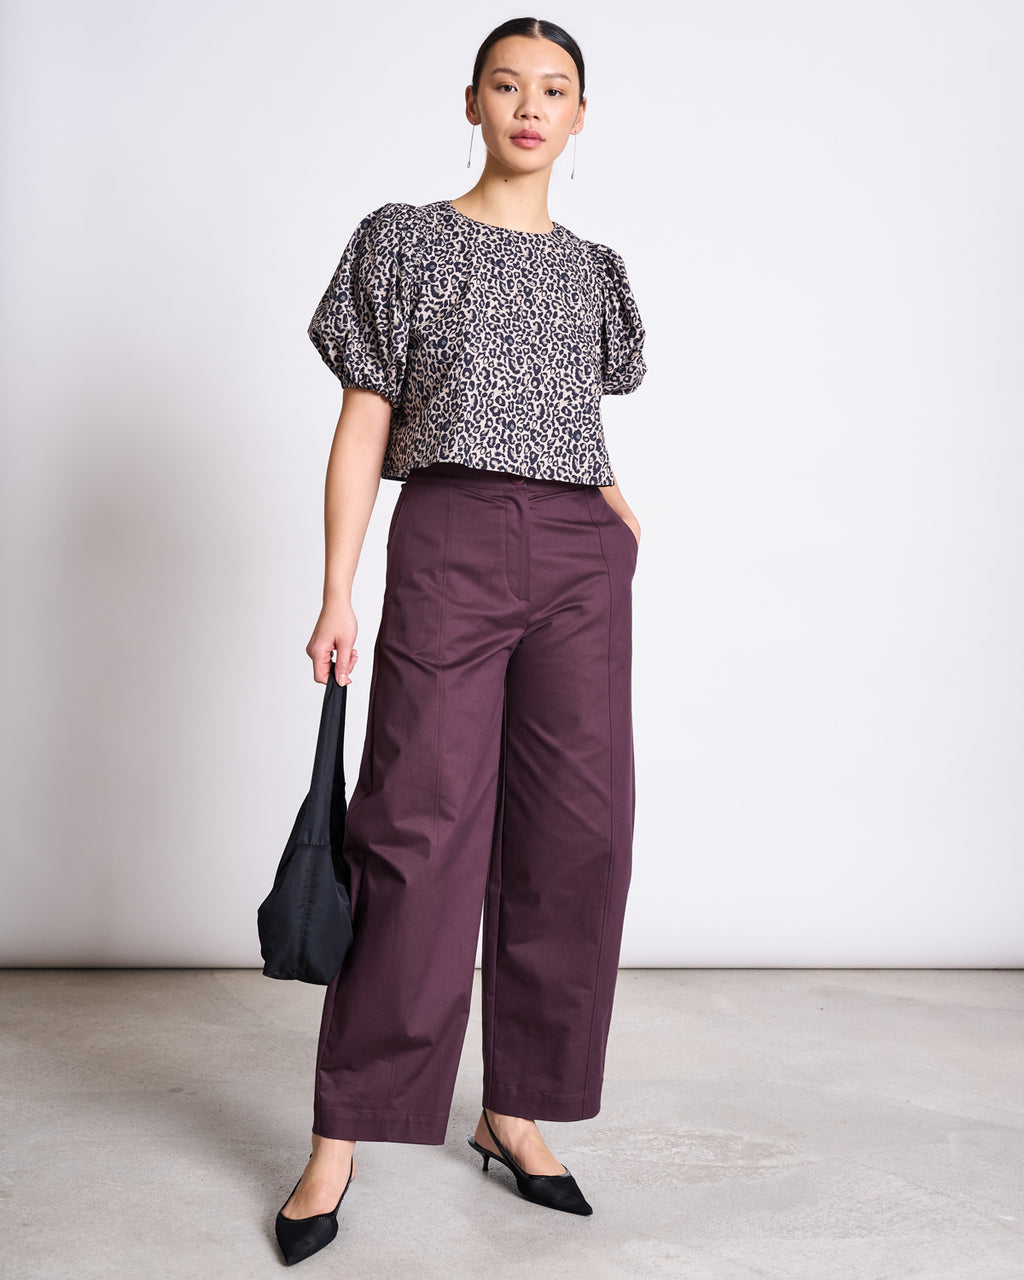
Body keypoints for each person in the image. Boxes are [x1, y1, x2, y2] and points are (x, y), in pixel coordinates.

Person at [274, 15, 647, 1265]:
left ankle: (514, 1108)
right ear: (472, 102)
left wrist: (609, 507)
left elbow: (574, 410)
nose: (530, 107)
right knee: (417, 829)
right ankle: (343, 1131)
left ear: (581, 115)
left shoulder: (595, 271)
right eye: (508, 85)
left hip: (580, 558)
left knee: (576, 838)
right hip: (447, 536)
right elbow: (364, 423)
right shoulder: (404, 239)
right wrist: (338, 588)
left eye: (555, 89)